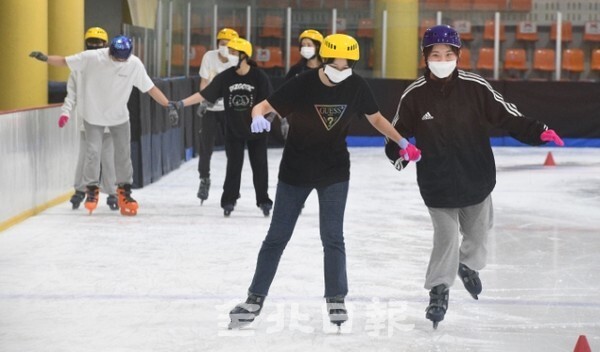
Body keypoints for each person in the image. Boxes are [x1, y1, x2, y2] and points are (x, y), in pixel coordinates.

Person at [227, 33, 422, 330]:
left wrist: (402, 141)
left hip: (333, 172)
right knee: (277, 237)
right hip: (295, 172)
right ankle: (254, 298)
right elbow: (263, 106)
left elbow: (377, 119)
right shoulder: (303, 83)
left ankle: (336, 298)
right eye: (336, 64)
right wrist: (256, 116)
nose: (341, 70)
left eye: (347, 66)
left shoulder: (356, 85)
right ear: (326, 59)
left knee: (332, 237)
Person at [384, 25, 565, 329]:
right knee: (445, 239)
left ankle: (467, 266)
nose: (442, 59)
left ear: (458, 56)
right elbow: (394, 135)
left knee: (478, 235)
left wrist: (538, 131)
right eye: (436, 54)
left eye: (448, 54)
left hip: (476, 178)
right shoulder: (414, 95)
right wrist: (402, 151)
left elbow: (508, 115)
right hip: (436, 183)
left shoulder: (475, 86)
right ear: (426, 57)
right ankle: (439, 291)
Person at [30, 35, 178, 216]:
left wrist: (168, 105)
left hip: (119, 117)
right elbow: (64, 61)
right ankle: (91, 188)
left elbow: (150, 88)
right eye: (117, 58)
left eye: (124, 58)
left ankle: (124, 190)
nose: (120, 61)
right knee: (92, 152)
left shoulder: (134, 64)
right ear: (110, 52)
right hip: (93, 116)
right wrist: (45, 58)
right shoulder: (93, 57)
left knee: (123, 154)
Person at [174, 37, 274, 217]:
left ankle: (264, 201)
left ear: (245, 55)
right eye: (231, 52)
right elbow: (204, 94)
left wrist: (270, 118)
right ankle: (229, 200)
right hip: (234, 129)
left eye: (235, 53)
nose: (231, 56)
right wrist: (181, 103)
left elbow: (271, 101)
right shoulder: (226, 77)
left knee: (260, 166)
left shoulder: (259, 76)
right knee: (233, 166)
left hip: (257, 130)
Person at [60, 27, 119, 212]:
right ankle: (80, 189)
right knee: (85, 158)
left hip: (109, 123)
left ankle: (112, 192)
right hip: (88, 122)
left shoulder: (113, 66)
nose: (94, 46)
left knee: (109, 160)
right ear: (86, 44)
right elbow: (72, 95)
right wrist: (65, 112)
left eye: (98, 43)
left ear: (105, 44)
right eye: (91, 42)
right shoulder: (78, 68)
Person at [196, 28, 239, 205]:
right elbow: (204, 81)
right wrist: (203, 101)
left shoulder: (237, 60)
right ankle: (204, 179)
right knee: (205, 148)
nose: (225, 47)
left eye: (229, 45)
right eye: (222, 44)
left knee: (233, 149)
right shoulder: (209, 57)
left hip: (229, 110)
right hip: (211, 109)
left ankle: (232, 186)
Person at [280, 29, 325, 141]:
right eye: (303, 45)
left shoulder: (327, 70)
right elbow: (283, 95)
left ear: (318, 47)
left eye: (309, 45)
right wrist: (284, 120)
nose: (305, 48)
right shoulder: (296, 70)